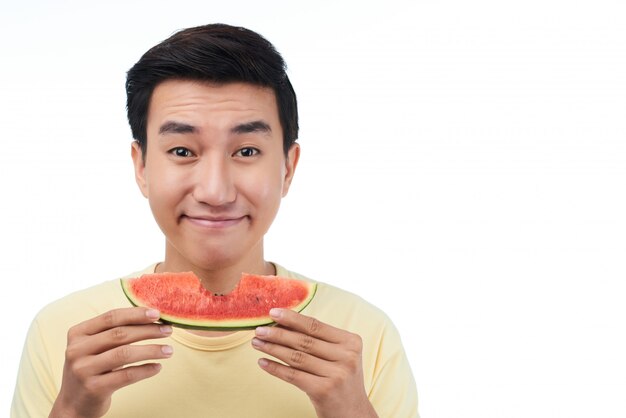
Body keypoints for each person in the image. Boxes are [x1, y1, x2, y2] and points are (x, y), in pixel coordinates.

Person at [11, 23, 419, 418]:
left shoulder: (364, 335)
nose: (215, 191)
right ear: (141, 167)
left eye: (246, 152)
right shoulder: (64, 333)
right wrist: (71, 412)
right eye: (183, 151)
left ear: (288, 169)